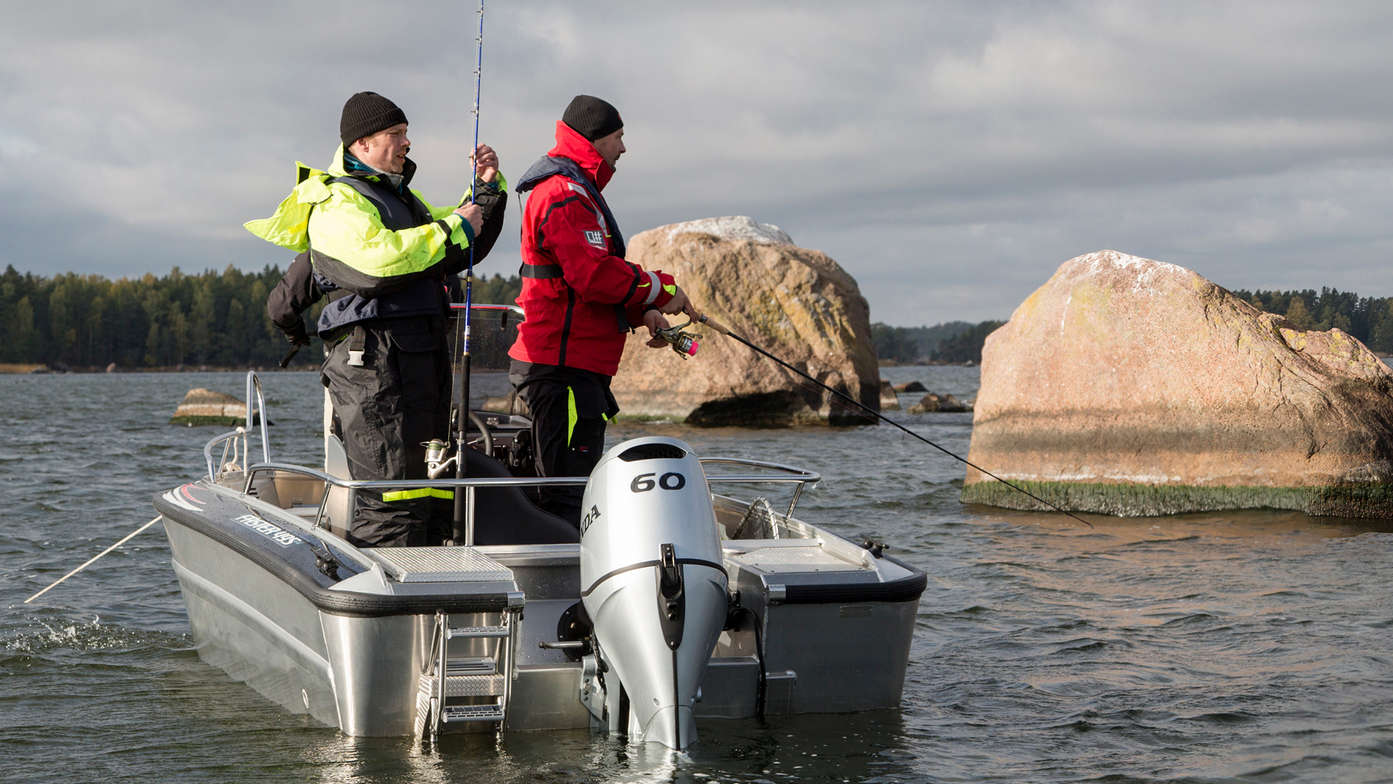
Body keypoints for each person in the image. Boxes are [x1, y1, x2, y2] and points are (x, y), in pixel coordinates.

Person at [249, 91, 508, 547]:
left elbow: (456, 243)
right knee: (391, 501)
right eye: (397, 134)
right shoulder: (337, 202)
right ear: (362, 144)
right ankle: (379, 606)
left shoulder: (402, 198)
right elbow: (377, 264)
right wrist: (455, 226)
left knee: (432, 496)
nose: (407, 143)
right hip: (374, 373)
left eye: (406, 133)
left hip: (419, 366)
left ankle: (430, 603)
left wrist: (486, 190)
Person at [508, 94, 699, 524]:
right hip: (560, 367)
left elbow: (585, 282)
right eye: (619, 137)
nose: (624, 148)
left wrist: (639, 312)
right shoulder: (564, 194)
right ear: (594, 140)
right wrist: (658, 288)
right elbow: (592, 276)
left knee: (574, 480)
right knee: (564, 493)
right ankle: (564, 572)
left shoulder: (577, 189)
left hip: (574, 363)